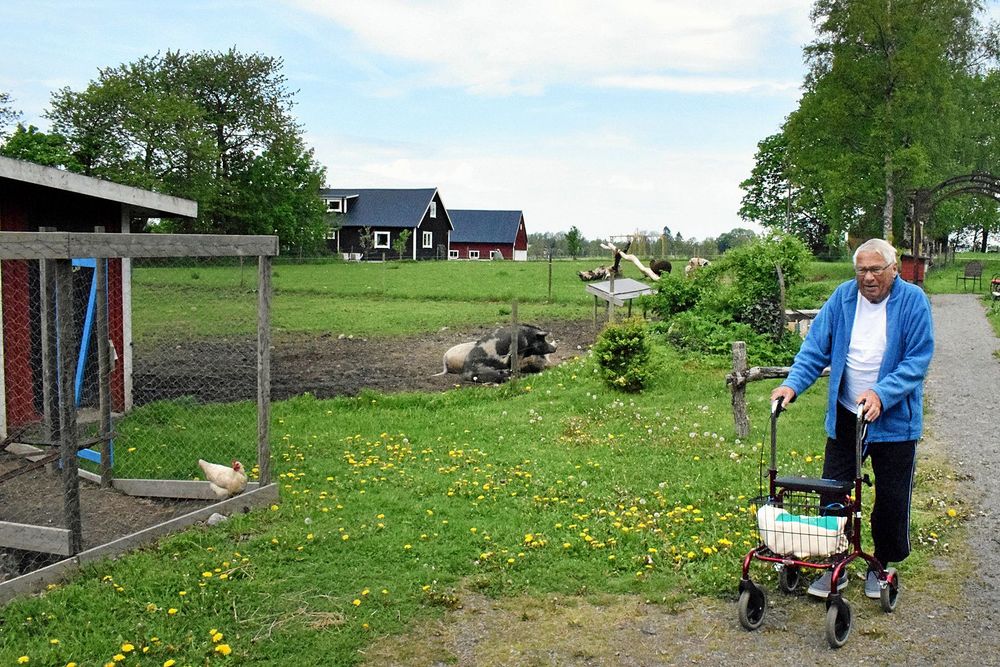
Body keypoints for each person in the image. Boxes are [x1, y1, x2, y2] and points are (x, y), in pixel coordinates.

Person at [770, 238, 934, 599]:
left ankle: (882, 564)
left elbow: (917, 361)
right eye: (862, 270)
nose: (869, 277)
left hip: (894, 422)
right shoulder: (843, 297)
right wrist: (791, 385)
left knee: (891, 498)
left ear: (894, 269)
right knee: (833, 491)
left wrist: (882, 394)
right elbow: (815, 349)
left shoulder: (912, 302)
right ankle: (835, 564)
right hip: (847, 414)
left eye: (877, 269)